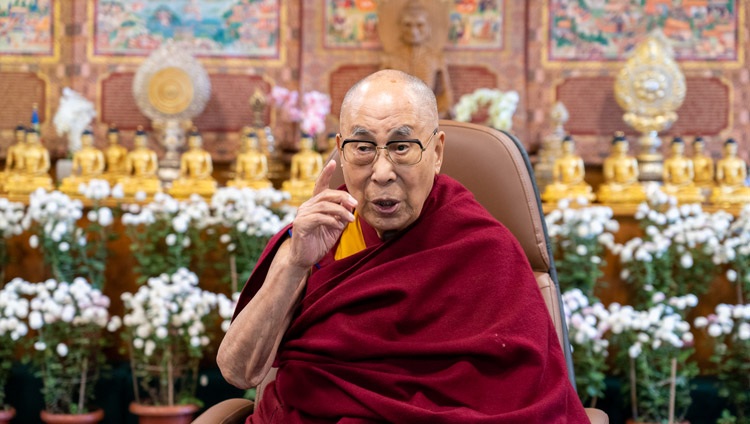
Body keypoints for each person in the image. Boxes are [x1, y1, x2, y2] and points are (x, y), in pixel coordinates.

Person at [217, 70, 588, 423]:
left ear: (436, 152)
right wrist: (296, 265)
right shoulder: (317, 235)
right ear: (340, 151)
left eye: (401, 146)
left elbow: (524, 401)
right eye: (362, 147)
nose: (381, 171)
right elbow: (238, 371)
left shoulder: (483, 248)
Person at [380, 0, 453, 117]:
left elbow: (446, 96)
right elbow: (379, 93)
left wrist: (437, 115)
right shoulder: (390, 58)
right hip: (396, 117)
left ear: (429, 27)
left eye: (420, 25)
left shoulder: (436, 58)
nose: (413, 31)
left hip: (428, 115)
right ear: (400, 27)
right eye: (408, 25)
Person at [541, 135, 595, 203]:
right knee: (550, 189)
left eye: (569, 146)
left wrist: (573, 182)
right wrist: (558, 184)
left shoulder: (577, 160)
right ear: (562, 146)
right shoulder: (559, 161)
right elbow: (556, 177)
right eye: (565, 146)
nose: (567, 148)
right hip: (563, 185)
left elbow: (581, 175)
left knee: (587, 189)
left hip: (575, 185)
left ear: (573, 147)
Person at [597, 132, 646, 203]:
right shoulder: (609, 161)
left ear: (627, 146)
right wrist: (618, 182)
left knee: (639, 190)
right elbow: (609, 176)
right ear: (613, 147)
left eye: (623, 145)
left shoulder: (631, 160)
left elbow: (635, 175)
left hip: (629, 185)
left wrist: (628, 181)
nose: (621, 147)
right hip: (615, 186)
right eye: (618, 145)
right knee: (606, 190)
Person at [169, 127, 217, 198]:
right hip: (190, 179)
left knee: (210, 184)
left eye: (196, 140)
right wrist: (182, 178)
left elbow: (208, 170)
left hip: (201, 179)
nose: (194, 142)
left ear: (200, 141)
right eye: (192, 140)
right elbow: (183, 170)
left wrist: (199, 177)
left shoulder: (205, 155)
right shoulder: (186, 155)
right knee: (177, 184)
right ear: (189, 142)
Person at [60, 129, 106, 195]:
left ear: (92, 139)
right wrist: (73, 176)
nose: (86, 140)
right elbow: (74, 168)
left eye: (88, 138)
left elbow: (100, 167)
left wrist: (93, 174)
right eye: (84, 138)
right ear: (81, 139)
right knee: (66, 181)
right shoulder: (78, 153)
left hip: (94, 177)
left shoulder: (97, 153)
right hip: (83, 177)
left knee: (100, 181)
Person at [118, 126, 162, 197]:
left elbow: (153, 168)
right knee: (122, 182)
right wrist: (129, 176)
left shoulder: (150, 154)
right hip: (135, 178)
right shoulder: (131, 154)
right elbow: (128, 170)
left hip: (146, 178)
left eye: (141, 139)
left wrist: (147, 174)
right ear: (134, 140)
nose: (139, 141)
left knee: (155, 183)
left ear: (146, 140)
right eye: (137, 139)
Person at [6, 128, 53, 194]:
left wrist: (39, 172)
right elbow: (21, 165)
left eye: (33, 136)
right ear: (26, 137)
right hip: (25, 175)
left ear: (37, 137)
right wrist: (21, 173)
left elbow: (46, 165)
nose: (31, 138)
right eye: (29, 136)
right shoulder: (23, 151)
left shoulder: (42, 150)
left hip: (38, 175)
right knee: (12, 180)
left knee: (47, 181)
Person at [281, 133, 323, 205]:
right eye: (303, 142)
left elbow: (320, 173)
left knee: (316, 188)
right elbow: (294, 174)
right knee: (286, 185)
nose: (305, 144)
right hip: (301, 182)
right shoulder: (296, 157)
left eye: (307, 142)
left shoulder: (316, 156)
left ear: (311, 143)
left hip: (312, 182)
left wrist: (312, 177)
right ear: (300, 143)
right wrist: (294, 181)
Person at [661, 136, 704, 203]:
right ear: (671, 147)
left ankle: (676, 199)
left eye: (679, 146)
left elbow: (690, 177)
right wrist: (671, 185)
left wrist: (681, 185)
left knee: (696, 190)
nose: (677, 148)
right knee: (663, 190)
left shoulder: (687, 161)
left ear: (683, 147)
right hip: (673, 187)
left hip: (685, 186)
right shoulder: (668, 162)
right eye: (675, 146)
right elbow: (665, 177)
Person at [710, 138, 750, 205]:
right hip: (727, 188)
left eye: (733, 147)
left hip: (738, 187)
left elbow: (743, 176)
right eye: (729, 147)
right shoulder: (721, 162)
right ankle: (735, 201)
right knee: (716, 192)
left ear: (736, 148)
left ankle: (729, 201)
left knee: (747, 192)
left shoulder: (740, 162)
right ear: (725, 148)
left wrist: (736, 181)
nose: (731, 149)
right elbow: (719, 177)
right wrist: (725, 183)